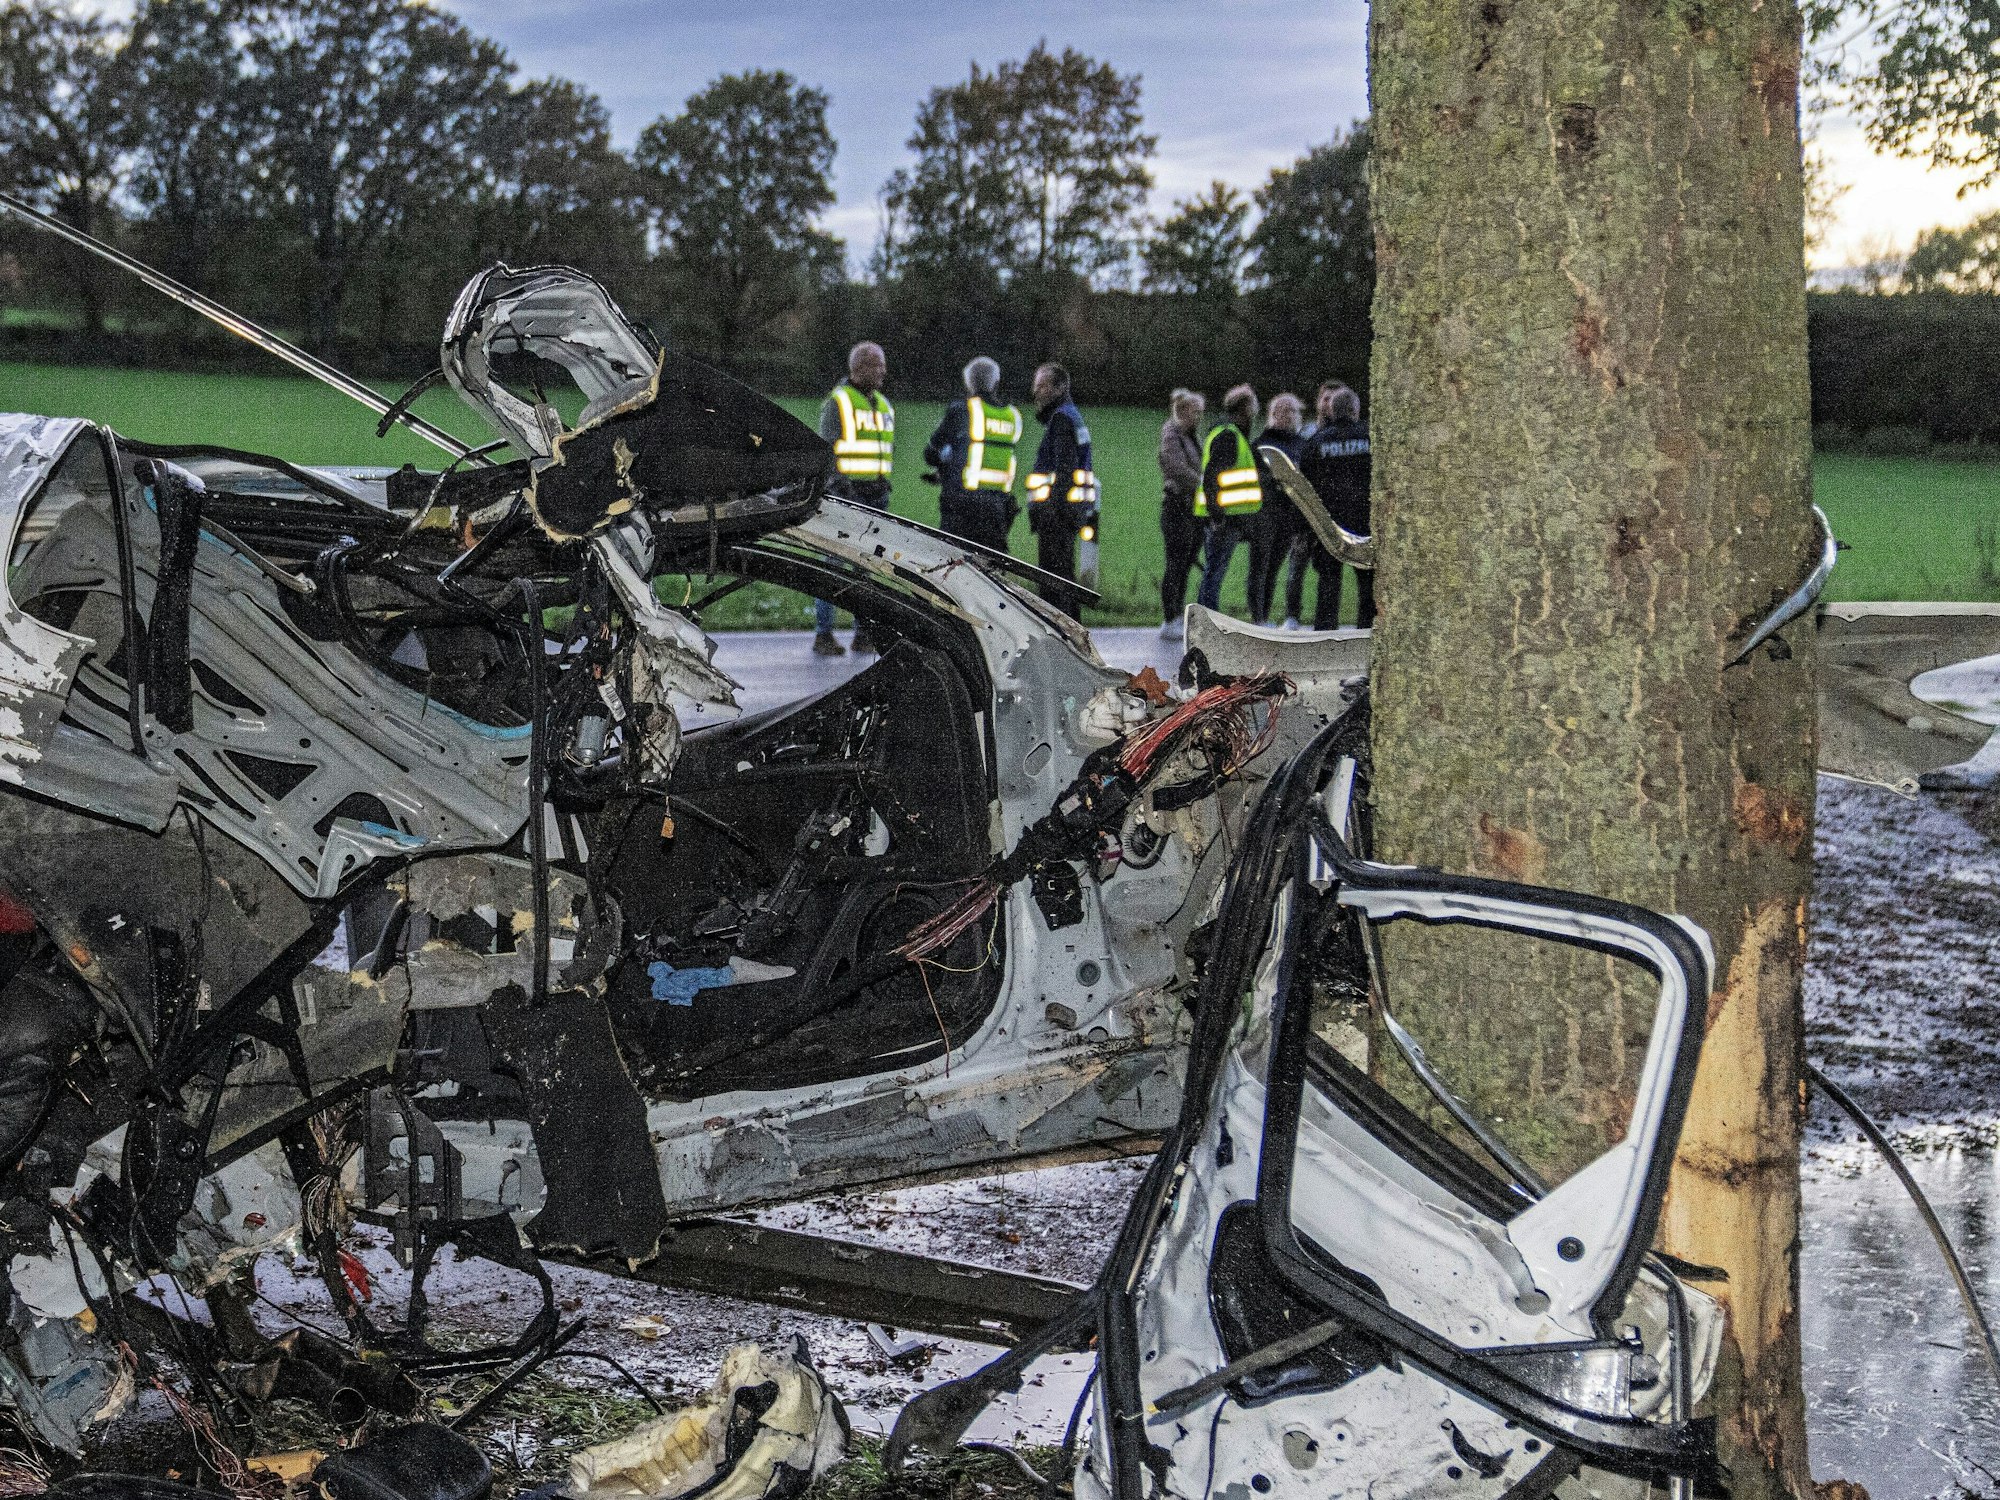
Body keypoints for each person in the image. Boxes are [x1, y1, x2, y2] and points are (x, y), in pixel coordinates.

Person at [812, 341, 894, 656]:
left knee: (867, 568)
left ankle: (863, 633)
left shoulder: (884, 405)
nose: (883, 371)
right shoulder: (839, 402)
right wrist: (838, 485)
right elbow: (828, 448)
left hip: (876, 496)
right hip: (846, 496)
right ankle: (823, 634)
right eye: (876, 365)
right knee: (832, 565)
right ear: (858, 368)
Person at [1295, 383, 1375, 630]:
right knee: (1368, 587)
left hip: (1328, 526)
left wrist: (1305, 529)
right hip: (1365, 524)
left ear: (1331, 410)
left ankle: (1325, 638)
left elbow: (1304, 488)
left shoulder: (1316, 442)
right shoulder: (1370, 437)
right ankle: (1365, 637)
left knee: (1328, 586)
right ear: (1355, 409)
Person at [922, 356, 1021, 555]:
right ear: (996, 382)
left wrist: (945, 464)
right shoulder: (1013, 416)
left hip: (962, 505)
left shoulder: (962, 409)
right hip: (998, 506)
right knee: (990, 565)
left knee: (952, 562)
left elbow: (931, 453)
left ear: (968, 382)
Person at [1024, 363, 1098, 620]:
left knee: (1053, 579)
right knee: (1064, 576)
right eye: (1036, 385)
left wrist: (1050, 510)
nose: (1037, 392)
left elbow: (1064, 470)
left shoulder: (1062, 420)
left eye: (1043, 386)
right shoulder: (1071, 415)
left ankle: (1060, 634)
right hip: (1071, 509)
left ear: (1061, 387)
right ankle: (1072, 629)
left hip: (1057, 513)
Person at [1195, 385, 1265, 615]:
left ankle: (1206, 618)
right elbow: (1214, 476)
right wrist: (1218, 515)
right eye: (1253, 405)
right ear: (1245, 407)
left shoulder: (1227, 432)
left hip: (1226, 517)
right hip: (1225, 518)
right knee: (1214, 572)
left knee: (1214, 571)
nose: (1256, 410)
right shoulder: (1229, 435)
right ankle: (1208, 620)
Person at [1247, 393, 1305, 626]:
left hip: (1288, 516)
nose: (1295, 417)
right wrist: (1276, 481)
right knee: (1259, 567)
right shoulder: (1262, 444)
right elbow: (1256, 477)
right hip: (1264, 514)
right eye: (1289, 411)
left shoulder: (1301, 444)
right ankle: (1257, 617)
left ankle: (1265, 615)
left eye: (1296, 412)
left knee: (1273, 568)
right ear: (1275, 414)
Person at [1156, 388, 1205, 640]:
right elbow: (1175, 466)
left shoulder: (1187, 435)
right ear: (1184, 412)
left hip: (1190, 507)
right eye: (1196, 412)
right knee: (1176, 564)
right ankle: (1169, 617)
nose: (1199, 417)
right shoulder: (1172, 434)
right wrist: (1201, 482)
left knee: (1184, 564)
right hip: (1177, 506)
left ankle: (1176, 615)